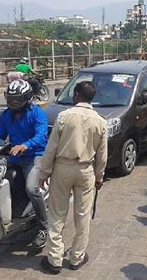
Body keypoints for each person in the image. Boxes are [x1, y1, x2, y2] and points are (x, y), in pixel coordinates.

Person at [38, 81, 107, 274]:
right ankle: (77, 258)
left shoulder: (64, 117)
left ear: (76, 95)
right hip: (86, 170)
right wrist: (99, 177)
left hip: (62, 168)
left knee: (57, 215)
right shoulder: (100, 121)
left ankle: (55, 260)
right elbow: (102, 155)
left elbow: (51, 148)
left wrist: (44, 173)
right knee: (83, 216)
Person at [0, 80, 48, 248]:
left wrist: (26, 145)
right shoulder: (5, 115)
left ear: (27, 98)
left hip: (35, 156)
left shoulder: (37, 113)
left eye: (17, 99)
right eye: (11, 99)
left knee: (32, 188)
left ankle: (43, 228)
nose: (14, 103)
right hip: (14, 157)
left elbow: (41, 136)